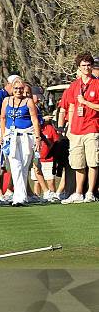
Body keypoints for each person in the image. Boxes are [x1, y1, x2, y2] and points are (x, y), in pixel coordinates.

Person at [60, 53, 99, 204]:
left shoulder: (97, 84)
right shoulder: (74, 85)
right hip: (76, 128)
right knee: (78, 162)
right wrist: (68, 124)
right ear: (79, 67)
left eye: (88, 65)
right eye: (83, 65)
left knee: (93, 161)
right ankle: (78, 192)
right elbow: (70, 105)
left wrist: (86, 102)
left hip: (92, 127)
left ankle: (90, 192)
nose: (86, 68)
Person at [0, 78, 42, 206]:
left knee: (24, 166)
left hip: (26, 136)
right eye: (16, 88)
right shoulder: (6, 101)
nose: (18, 91)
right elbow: (2, 118)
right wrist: (2, 135)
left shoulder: (28, 102)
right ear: (12, 89)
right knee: (15, 164)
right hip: (11, 136)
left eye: (21, 88)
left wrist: (38, 137)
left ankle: (21, 196)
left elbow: (35, 120)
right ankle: (19, 197)